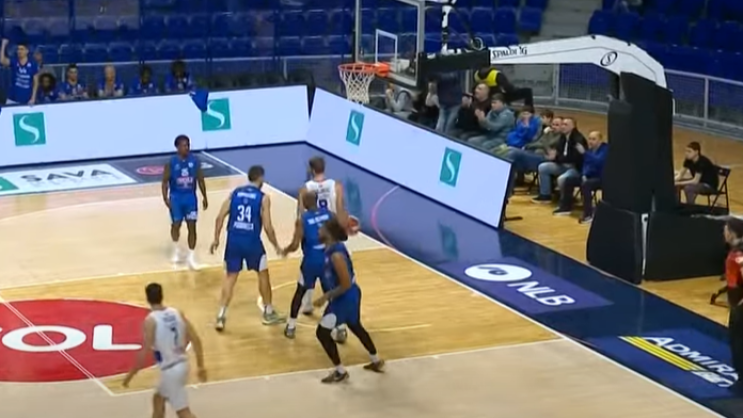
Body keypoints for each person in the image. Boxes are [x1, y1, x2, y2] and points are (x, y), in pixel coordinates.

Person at [210, 165, 285, 330]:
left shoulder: (235, 193)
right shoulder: (263, 198)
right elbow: (268, 226)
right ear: (260, 178)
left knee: (230, 277)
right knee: (263, 273)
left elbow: (219, 217)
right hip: (252, 242)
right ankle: (268, 312)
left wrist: (216, 239)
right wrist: (276, 245)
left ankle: (221, 316)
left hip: (233, 240)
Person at [313, 216, 384, 383]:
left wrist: (325, 297)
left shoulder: (336, 255)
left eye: (321, 228)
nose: (318, 231)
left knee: (322, 333)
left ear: (329, 233)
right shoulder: (332, 248)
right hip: (349, 295)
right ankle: (376, 360)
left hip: (344, 298)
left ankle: (340, 371)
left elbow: (345, 283)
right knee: (355, 325)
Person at [122, 283, 206, 418]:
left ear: (147, 298)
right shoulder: (177, 313)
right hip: (182, 365)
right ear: (162, 296)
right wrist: (201, 366)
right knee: (158, 399)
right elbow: (196, 339)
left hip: (171, 371)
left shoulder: (151, 320)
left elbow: (144, 352)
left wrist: (131, 375)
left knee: (184, 413)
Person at [281, 191, 348, 342]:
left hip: (311, 261)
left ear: (304, 204)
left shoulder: (303, 220)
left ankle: (291, 326)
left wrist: (285, 250)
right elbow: (340, 235)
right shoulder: (329, 214)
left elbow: (295, 245)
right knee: (332, 294)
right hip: (328, 259)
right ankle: (341, 328)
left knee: (300, 292)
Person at [297, 156, 358, 314]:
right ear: (324, 167)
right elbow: (340, 210)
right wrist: (345, 229)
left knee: (310, 269)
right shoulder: (336, 185)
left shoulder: (305, 189)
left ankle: (307, 303)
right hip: (331, 233)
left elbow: (301, 215)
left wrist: (302, 234)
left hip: (313, 233)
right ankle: (338, 310)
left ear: (311, 170)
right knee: (334, 270)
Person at [162, 135, 208, 269]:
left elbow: (200, 179)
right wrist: (165, 198)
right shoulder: (171, 163)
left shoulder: (195, 161)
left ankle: (191, 257)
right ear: (177, 147)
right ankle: (176, 249)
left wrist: (205, 197)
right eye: (183, 145)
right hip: (176, 198)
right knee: (176, 225)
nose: (186, 147)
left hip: (190, 198)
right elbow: (164, 182)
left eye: (188, 145)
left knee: (192, 226)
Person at [722, 217, 743, 394]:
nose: (723, 232)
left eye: (725, 229)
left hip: (740, 308)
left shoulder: (735, 257)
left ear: (731, 233)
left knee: (738, 342)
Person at [0, 38, 39, 105]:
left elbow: (36, 82)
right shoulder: (14, 61)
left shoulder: (33, 64)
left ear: (27, 51)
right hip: (12, 98)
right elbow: (2, 61)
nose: (19, 51)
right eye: (18, 49)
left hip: (26, 100)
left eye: (21, 49)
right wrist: (3, 45)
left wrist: (33, 98)